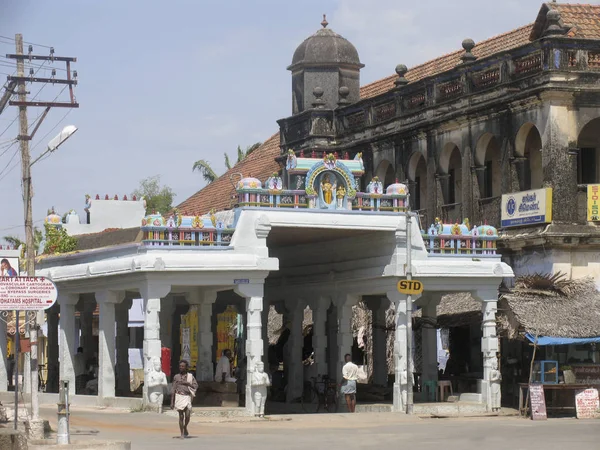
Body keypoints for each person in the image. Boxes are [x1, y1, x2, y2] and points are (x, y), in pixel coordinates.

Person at [171, 360, 198, 439]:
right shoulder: (176, 377)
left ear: (186, 368)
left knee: (188, 415)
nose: (181, 368)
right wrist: (172, 402)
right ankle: (182, 433)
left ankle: (185, 426)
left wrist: (188, 384)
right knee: (181, 416)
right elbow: (173, 389)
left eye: (183, 366)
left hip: (187, 397)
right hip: (179, 396)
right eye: (180, 366)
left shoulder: (190, 377)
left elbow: (195, 386)